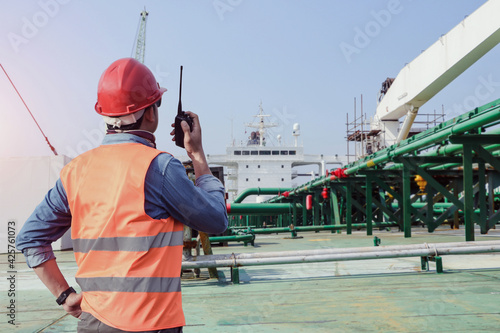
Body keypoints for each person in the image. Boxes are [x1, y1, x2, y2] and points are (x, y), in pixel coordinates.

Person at [16, 58, 228, 333]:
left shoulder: (75, 171)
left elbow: (30, 238)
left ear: (104, 115)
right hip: (150, 325)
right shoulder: (159, 167)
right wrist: (197, 154)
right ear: (150, 113)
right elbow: (216, 220)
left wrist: (64, 295)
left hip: (93, 323)